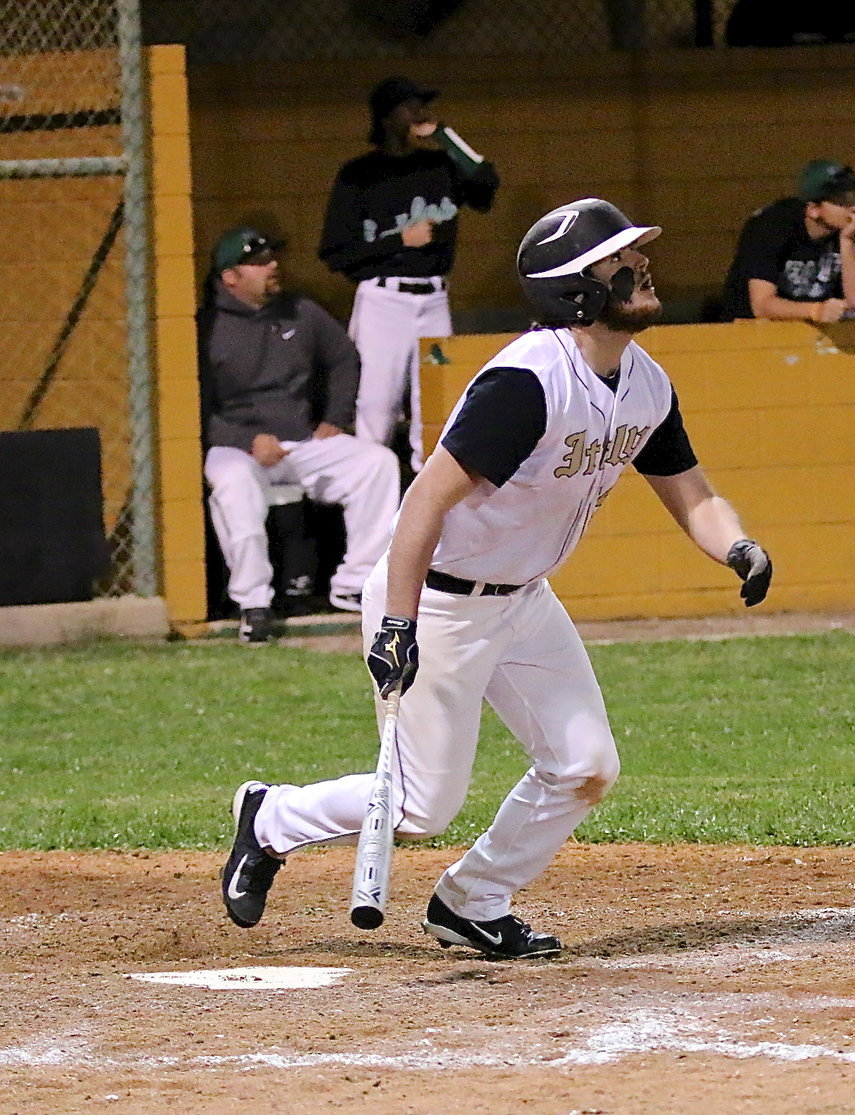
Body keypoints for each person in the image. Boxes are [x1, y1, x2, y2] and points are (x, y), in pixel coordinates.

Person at [221, 197, 774, 956]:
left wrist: (738, 546)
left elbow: (693, 494)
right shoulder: (526, 385)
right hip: (439, 598)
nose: (642, 266)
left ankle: (471, 900)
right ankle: (271, 818)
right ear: (576, 289)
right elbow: (422, 505)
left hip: (525, 600)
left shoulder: (643, 383)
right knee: (420, 807)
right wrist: (396, 623)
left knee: (584, 766)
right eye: (621, 260)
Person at [198, 226, 401, 644]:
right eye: (259, 262)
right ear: (231, 277)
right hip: (235, 448)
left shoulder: (299, 311)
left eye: (273, 258)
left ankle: (357, 584)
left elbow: (344, 356)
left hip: (300, 443)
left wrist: (335, 416)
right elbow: (193, 404)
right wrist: (244, 440)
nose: (273, 266)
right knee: (234, 485)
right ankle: (253, 603)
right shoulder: (206, 325)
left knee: (376, 464)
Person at [318, 76, 500, 474]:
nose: (419, 113)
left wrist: (446, 137)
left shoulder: (439, 164)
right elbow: (335, 252)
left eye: (421, 104)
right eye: (409, 106)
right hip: (384, 300)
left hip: (434, 300)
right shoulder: (359, 174)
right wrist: (399, 241)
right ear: (386, 116)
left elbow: (486, 183)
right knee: (375, 410)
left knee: (436, 410)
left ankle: (428, 525)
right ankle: (372, 528)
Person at [714, 159, 855, 322]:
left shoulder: (853, 232)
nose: (854, 207)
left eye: (853, 197)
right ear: (813, 210)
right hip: (752, 331)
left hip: (815, 333)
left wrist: (848, 241)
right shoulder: (772, 227)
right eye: (841, 202)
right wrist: (816, 311)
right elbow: (761, 305)